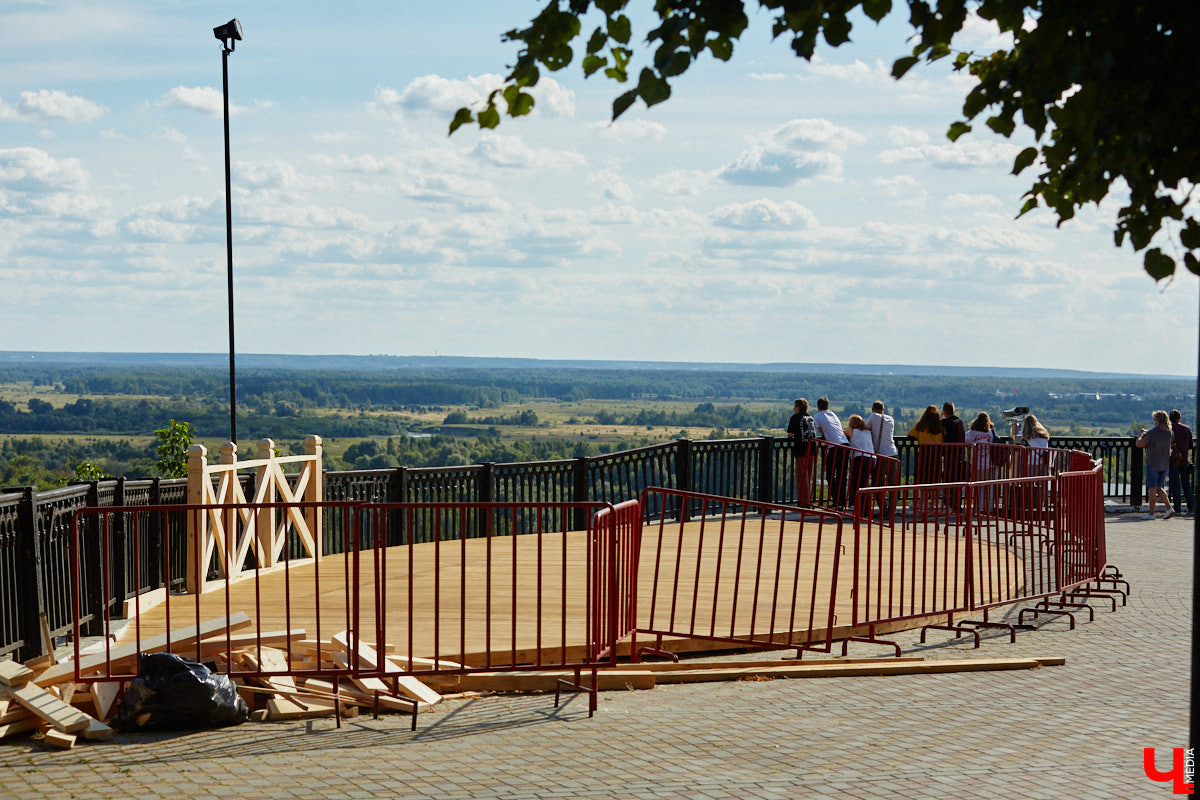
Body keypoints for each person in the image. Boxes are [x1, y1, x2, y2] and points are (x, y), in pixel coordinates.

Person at [1135, 410, 1175, 520]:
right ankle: (1169, 508)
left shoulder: (1151, 433)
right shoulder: (1169, 432)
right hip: (1165, 463)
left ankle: (1151, 514)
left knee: (1152, 489)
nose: (1153, 421)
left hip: (1153, 463)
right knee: (1159, 487)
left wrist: (1141, 434)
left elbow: (1139, 444)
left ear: (1157, 420)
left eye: (1154, 419)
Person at [813, 397, 849, 508]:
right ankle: (842, 502)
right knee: (842, 476)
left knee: (830, 474)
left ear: (818, 406)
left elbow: (822, 433)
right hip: (845, 444)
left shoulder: (817, 416)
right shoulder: (833, 414)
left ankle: (836, 501)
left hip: (835, 447)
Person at [786, 398, 817, 507]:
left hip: (801, 449)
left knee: (801, 477)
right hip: (812, 449)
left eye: (795, 406)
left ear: (798, 407)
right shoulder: (810, 418)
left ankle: (804, 502)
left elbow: (790, 433)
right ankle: (808, 500)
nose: (793, 408)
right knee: (808, 476)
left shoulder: (795, 417)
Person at [844, 414, 877, 511]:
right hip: (872, 458)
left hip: (860, 458)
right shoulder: (867, 432)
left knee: (858, 483)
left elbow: (840, 433)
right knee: (865, 483)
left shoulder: (852, 432)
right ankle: (865, 506)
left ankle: (860, 507)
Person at [908, 405, 943, 485]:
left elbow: (910, 434)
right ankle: (934, 496)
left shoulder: (921, 426)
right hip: (936, 455)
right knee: (934, 479)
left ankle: (924, 497)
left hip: (924, 454)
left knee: (923, 479)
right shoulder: (940, 427)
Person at [1168, 409, 1194, 515]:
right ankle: (1191, 508)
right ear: (1179, 418)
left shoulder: (1169, 429)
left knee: (1175, 484)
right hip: (1184, 459)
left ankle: (1177, 508)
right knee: (1186, 484)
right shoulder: (1186, 429)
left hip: (1173, 460)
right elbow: (1191, 445)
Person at [940, 401, 966, 484]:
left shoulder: (945, 423)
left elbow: (935, 425)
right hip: (960, 452)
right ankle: (956, 494)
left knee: (949, 473)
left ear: (944, 412)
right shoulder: (959, 422)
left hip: (949, 452)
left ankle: (949, 493)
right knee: (956, 473)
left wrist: (940, 417)